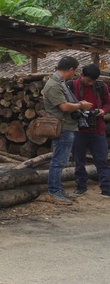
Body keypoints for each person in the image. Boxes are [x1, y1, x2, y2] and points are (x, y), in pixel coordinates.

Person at [41, 56, 93, 204]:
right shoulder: (53, 85)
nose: (75, 74)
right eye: (75, 71)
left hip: (67, 126)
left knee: (61, 161)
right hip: (62, 127)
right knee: (58, 161)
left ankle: (58, 190)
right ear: (70, 69)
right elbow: (63, 106)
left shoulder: (60, 82)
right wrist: (81, 105)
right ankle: (53, 191)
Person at [67, 63, 110, 198]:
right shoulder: (72, 85)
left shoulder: (101, 86)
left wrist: (103, 110)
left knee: (102, 161)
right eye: (88, 80)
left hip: (98, 130)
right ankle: (81, 186)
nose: (90, 83)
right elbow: (64, 104)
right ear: (81, 75)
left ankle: (106, 189)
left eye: (93, 81)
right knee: (79, 161)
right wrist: (79, 108)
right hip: (78, 130)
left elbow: (108, 103)